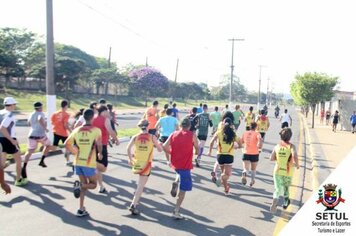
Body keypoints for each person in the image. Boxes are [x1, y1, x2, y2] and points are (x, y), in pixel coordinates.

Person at [65, 109, 102, 217]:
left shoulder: (76, 130)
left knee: (84, 187)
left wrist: (75, 152)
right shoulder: (96, 130)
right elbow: (99, 144)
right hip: (88, 163)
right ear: (92, 117)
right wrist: (100, 153)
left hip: (78, 162)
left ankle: (81, 209)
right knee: (93, 185)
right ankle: (80, 186)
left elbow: (67, 143)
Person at [163, 117, 199, 219]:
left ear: (180, 125)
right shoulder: (192, 135)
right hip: (185, 165)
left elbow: (164, 147)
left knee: (178, 172)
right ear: (189, 126)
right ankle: (176, 210)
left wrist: (171, 152)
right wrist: (196, 152)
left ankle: (176, 181)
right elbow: (197, 148)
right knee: (183, 190)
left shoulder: (173, 134)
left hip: (175, 163)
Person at [126, 119, 163, 215]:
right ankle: (133, 205)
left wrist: (130, 159)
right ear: (148, 126)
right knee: (140, 185)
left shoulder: (135, 137)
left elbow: (128, 148)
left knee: (142, 184)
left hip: (137, 163)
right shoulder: (152, 137)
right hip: (146, 164)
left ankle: (136, 196)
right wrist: (160, 145)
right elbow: (159, 150)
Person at [270, 128, 299, 213]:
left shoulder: (277, 146)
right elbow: (295, 156)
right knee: (286, 187)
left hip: (277, 170)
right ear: (290, 137)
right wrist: (297, 164)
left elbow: (271, 158)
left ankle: (275, 198)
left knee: (277, 189)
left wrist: (278, 157)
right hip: (288, 171)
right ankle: (286, 202)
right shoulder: (291, 146)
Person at [208, 118, 241, 195]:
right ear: (231, 125)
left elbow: (211, 142)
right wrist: (237, 146)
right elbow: (240, 143)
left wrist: (209, 151)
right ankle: (220, 178)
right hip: (229, 155)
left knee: (224, 173)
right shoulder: (233, 133)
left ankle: (226, 189)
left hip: (220, 155)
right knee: (227, 174)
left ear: (223, 123)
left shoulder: (219, 132)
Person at [21, 102, 53, 181]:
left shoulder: (31, 114)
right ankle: (42, 160)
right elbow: (39, 119)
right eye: (42, 106)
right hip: (40, 135)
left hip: (31, 135)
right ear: (40, 107)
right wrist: (44, 128)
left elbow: (28, 123)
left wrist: (34, 127)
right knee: (48, 145)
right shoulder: (41, 113)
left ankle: (24, 166)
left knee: (30, 151)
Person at [93, 105, 120, 193]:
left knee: (97, 168)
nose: (108, 113)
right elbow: (111, 131)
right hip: (101, 146)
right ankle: (91, 165)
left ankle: (101, 186)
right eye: (107, 111)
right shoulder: (105, 119)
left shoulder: (93, 118)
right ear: (104, 111)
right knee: (103, 167)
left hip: (92, 145)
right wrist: (116, 140)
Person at [0, 97, 26, 186]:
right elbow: (2, 128)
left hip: (1, 139)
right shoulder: (10, 115)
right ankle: (18, 180)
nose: (15, 106)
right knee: (18, 160)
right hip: (9, 139)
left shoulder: (0, 112)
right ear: (11, 105)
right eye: (14, 104)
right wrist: (12, 140)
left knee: (3, 159)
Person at [240, 122, 262, 187]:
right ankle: (252, 181)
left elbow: (241, 141)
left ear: (250, 126)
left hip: (246, 152)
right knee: (253, 169)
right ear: (256, 127)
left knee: (246, 168)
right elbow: (260, 139)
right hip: (254, 153)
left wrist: (240, 147)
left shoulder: (245, 133)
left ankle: (244, 173)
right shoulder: (257, 133)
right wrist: (259, 145)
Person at [51, 100, 72, 166]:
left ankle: (46, 148)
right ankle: (68, 161)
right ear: (66, 106)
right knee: (67, 146)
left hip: (56, 131)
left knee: (54, 147)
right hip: (63, 133)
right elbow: (65, 125)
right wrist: (71, 131)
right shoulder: (66, 114)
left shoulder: (55, 113)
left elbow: (52, 122)